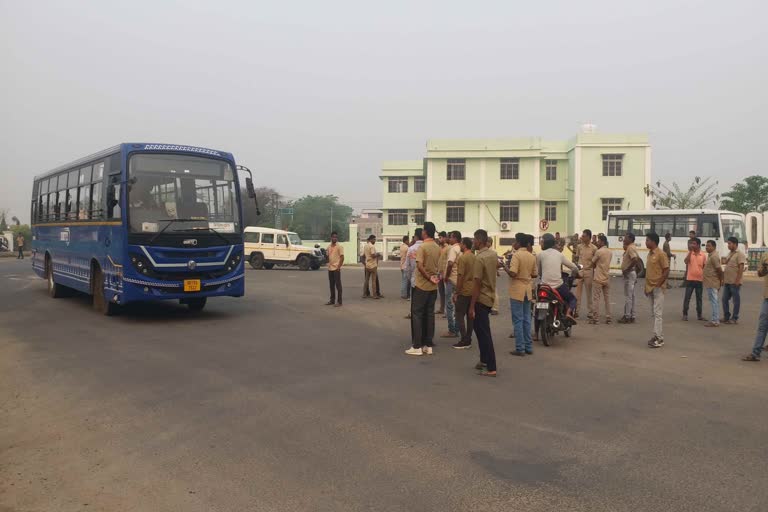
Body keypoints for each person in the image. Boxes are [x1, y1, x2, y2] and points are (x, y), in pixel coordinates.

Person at [406, 223, 441, 356]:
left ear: (425, 232)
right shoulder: (437, 247)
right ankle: (428, 344)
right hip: (433, 287)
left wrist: (428, 277)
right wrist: (434, 278)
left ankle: (417, 345)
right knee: (429, 314)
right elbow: (440, 267)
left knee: (417, 314)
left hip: (422, 285)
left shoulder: (423, 247)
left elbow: (419, 266)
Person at [469, 229, 499, 376]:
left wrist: (472, 306)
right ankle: (484, 360)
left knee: (484, 333)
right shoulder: (493, 254)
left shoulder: (479, 259)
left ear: (479, 241)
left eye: (474, 240)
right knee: (480, 331)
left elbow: (477, 283)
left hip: (481, 298)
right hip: (490, 296)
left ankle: (491, 367)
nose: (473, 242)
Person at [506, 232, 538, 356]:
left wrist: (505, 267)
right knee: (526, 319)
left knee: (518, 320)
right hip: (527, 288)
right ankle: (528, 347)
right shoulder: (531, 256)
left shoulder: (516, 255)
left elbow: (513, 273)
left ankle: (520, 348)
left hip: (517, 289)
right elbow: (535, 274)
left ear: (519, 242)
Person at [536, 233, 578, 321]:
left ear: (546, 243)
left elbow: (539, 272)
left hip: (544, 286)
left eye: (542, 242)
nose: (541, 244)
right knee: (572, 299)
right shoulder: (559, 254)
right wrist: (577, 272)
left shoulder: (540, 255)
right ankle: (568, 313)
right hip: (558, 286)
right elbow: (573, 267)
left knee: (536, 301)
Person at [645, 233, 670, 348]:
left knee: (658, 314)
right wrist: (646, 287)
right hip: (650, 288)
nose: (646, 242)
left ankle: (659, 338)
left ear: (653, 242)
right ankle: (656, 335)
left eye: (647, 240)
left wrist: (659, 285)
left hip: (658, 288)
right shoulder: (649, 254)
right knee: (654, 314)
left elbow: (666, 270)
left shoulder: (661, 254)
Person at [742, 252, 768, 361]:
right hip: (767, 297)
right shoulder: (766, 255)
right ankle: (755, 352)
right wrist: (765, 269)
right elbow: (760, 273)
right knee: (762, 325)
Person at [452, 237, 475, 349]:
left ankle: (464, 339)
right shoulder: (474, 257)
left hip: (464, 290)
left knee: (459, 315)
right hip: (473, 289)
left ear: (464, 245)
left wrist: (457, 292)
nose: (460, 246)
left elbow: (460, 276)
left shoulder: (463, 258)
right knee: (470, 316)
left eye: (461, 244)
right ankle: (468, 338)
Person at [441, 231, 461, 339]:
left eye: (451, 237)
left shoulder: (453, 249)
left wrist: (446, 276)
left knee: (449, 305)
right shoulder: (461, 249)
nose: (449, 239)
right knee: (457, 305)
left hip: (451, 279)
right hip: (459, 280)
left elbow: (450, 264)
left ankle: (452, 330)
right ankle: (457, 329)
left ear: (455, 238)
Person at [722, 237, 746, 325]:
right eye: (728, 243)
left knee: (736, 301)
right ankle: (726, 316)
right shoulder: (730, 253)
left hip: (734, 282)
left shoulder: (740, 254)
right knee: (724, 299)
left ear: (735, 244)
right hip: (727, 281)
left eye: (730, 243)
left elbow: (741, 268)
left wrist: (737, 280)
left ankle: (734, 318)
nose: (728, 245)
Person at [574, 229, 597, 319]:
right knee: (578, 293)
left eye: (584, 236)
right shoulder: (579, 247)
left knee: (589, 292)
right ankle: (576, 311)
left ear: (588, 237)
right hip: (580, 271)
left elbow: (596, 261)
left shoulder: (594, 248)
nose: (582, 237)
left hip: (589, 271)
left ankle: (590, 312)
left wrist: (593, 270)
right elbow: (576, 258)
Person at [682, 237, 706, 321]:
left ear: (698, 245)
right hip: (690, 279)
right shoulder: (690, 253)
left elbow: (704, 266)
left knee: (699, 298)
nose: (692, 245)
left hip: (699, 280)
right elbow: (685, 261)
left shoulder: (703, 255)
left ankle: (699, 315)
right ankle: (685, 314)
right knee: (687, 297)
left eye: (694, 244)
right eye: (691, 243)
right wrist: (690, 252)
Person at [590, 234, 612, 324]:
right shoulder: (610, 252)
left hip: (598, 277)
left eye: (599, 241)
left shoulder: (599, 252)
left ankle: (596, 318)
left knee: (596, 299)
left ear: (602, 242)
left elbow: (592, 262)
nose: (597, 242)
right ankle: (608, 317)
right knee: (607, 298)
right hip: (606, 277)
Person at [619, 233, 640, 324]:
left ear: (630, 239)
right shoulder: (633, 247)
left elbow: (635, 259)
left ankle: (627, 316)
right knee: (632, 296)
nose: (624, 240)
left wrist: (627, 270)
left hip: (629, 274)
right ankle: (632, 315)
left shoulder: (630, 248)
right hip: (632, 273)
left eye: (625, 238)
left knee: (628, 296)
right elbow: (637, 260)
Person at [702, 240, 724, 327]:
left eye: (709, 246)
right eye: (706, 246)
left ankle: (715, 320)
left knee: (714, 301)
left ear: (714, 247)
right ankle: (715, 318)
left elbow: (719, 270)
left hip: (713, 282)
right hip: (710, 282)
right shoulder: (711, 256)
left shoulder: (714, 256)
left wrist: (721, 280)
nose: (707, 247)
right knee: (713, 301)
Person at [404, 228, 423, 320]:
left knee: (414, 298)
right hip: (427, 280)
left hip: (414, 278)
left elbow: (407, 266)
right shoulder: (429, 247)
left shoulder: (411, 249)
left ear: (415, 237)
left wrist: (409, 277)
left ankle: (413, 313)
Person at [325, 231, 344, 307]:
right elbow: (327, 257)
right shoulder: (328, 247)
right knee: (331, 285)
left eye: (336, 237)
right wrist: (325, 256)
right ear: (331, 238)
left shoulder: (339, 247)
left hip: (336, 269)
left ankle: (339, 302)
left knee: (338, 286)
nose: (335, 238)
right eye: (333, 237)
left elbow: (342, 257)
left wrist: (339, 267)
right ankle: (332, 300)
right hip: (330, 268)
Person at [362, 235, 381, 299]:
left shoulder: (365, 246)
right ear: (371, 239)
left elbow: (363, 255)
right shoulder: (372, 246)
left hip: (367, 265)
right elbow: (373, 255)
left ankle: (364, 294)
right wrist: (378, 254)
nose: (375, 241)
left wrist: (365, 263)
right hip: (373, 265)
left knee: (366, 280)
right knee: (373, 281)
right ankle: (374, 295)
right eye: (374, 239)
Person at [437, 231, 449, 316]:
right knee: (441, 292)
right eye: (439, 237)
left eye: (441, 237)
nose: (439, 239)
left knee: (447, 293)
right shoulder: (439, 247)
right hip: (439, 272)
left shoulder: (448, 248)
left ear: (445, 238)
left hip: (445, 273)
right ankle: (441, 308)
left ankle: (447, 311)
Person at [399, 235, 410, 299]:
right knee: (406, 281)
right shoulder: (407, 248)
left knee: (403, 280)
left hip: (402, 265)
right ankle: (404, 294)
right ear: (406, 240)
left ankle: (403, 293)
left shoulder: (401, 246)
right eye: (408, 240)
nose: (409, 241)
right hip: (405, 266)